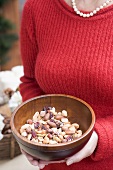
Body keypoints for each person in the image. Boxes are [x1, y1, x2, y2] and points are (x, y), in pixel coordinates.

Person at [19, 0, 113, 169]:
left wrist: (101, 136)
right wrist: (31, 132)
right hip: (53, 163)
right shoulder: (36, 7)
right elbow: (30, 82)